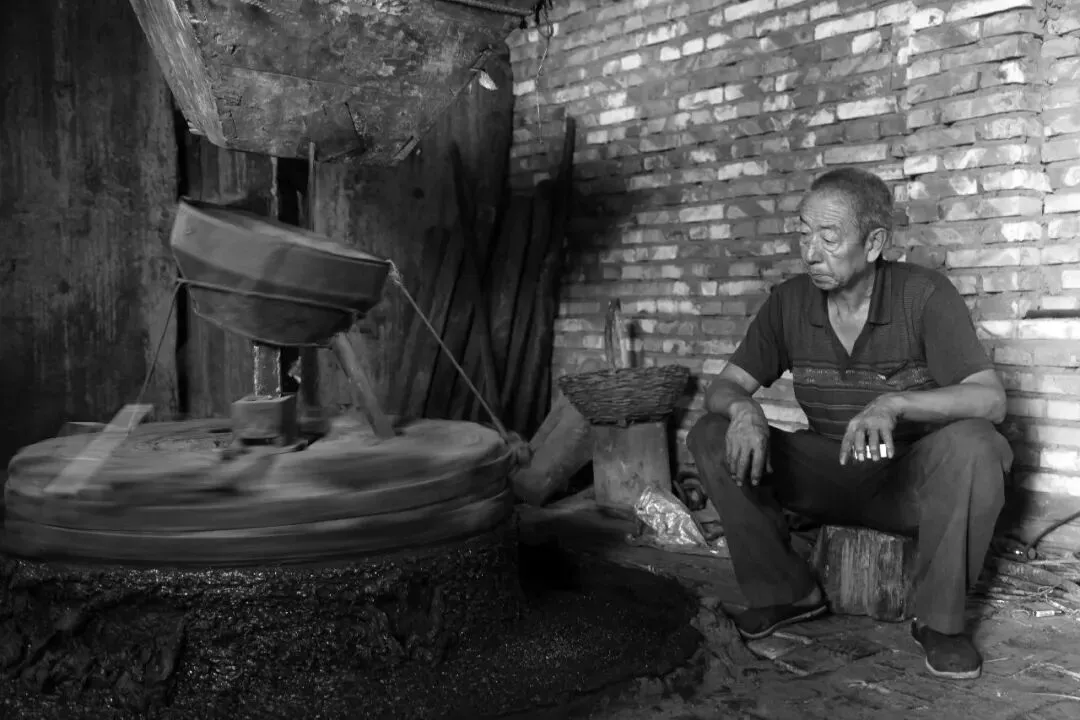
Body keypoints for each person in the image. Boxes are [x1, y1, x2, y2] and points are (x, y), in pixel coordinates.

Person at [686, 166, 1012, 681]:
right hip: (826, 470)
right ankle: (786, 593)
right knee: (710, 432)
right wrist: (744, 409)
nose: (811, 253)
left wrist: (894, 403)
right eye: (804, 234)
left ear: (875, 243)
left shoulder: (924, 295)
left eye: (829, 238)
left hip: (906, 481)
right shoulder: (789, 302)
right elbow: (724, 387)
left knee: (979, 444)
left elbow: (991, 400)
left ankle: (939, 622)